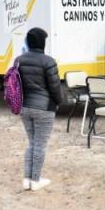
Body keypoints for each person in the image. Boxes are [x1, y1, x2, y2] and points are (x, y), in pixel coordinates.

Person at [16, 27, 63, 191]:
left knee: (32, 143)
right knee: (40, 145)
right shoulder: (48, 61)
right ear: (42, 42)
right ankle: (35, 180)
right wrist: (59, 102)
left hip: (25, 107)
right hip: (44, 108)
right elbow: (55, 86)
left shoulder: (18, 60)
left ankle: (27, 179)